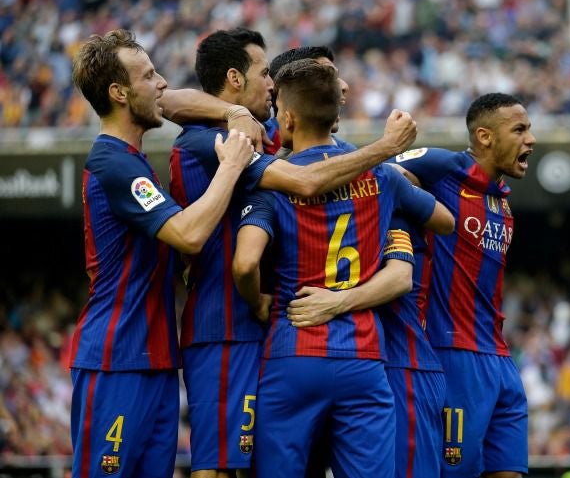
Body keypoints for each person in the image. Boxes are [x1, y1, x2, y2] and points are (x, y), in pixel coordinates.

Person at [168, 28, 420, 478]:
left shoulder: (265, 138)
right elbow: (166, 101)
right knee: (219, 466)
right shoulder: (215, 140)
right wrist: (388, 152)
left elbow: (248, 258)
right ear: (233, 79)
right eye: (265, 72)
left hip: (279, 335)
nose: (271, 82)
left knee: (240, 466)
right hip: (232, 326)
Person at [232, 59, 454, 478]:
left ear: (289, 117)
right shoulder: (383, 177)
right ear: (336, 115)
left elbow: (245, 263)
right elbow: (444, 221)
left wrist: (258, 302)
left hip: (293, 348)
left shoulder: (272, 181)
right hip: (363, 357)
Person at [69, 29, 256, 478]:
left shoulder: (134, 161)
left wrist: (234, 110)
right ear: (118, 93)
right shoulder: (111, 162)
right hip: (115, 360)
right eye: (149, 76)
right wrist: (231, 166)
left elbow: (175, 103)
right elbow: (188, 235)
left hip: (155, 360)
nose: (161, 85)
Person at [393, 92, 536, 478]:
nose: (531, 139)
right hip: (451, 352)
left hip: (501, 360)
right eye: (519, 129)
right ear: (485, 137)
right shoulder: (443, 167)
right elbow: (379, 173)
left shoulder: (503, 203)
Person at [287, 212, 447, 478]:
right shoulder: (301, 200)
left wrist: (336, 302)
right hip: (318, 357)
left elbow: (402, 276)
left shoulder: (388, 196)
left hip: (400, 364)